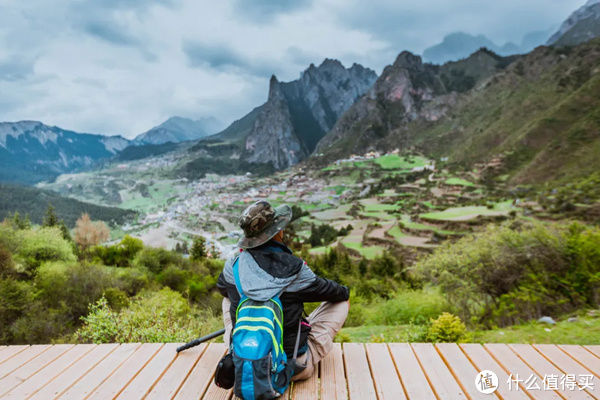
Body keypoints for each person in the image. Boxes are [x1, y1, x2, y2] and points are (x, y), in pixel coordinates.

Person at [217, 200, 349, 381]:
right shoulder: (295, 269)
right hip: (292, 366)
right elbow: (338, 293)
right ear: (277, 231)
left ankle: (247, 349)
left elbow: (222, 289)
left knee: (228, 299)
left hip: (244, 364)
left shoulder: (233, 265)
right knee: (342, 302)